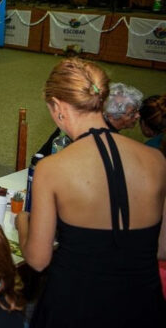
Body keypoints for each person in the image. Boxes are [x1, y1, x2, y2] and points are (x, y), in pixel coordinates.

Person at [16, 58, 166, 326]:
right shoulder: (156, 159)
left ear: (58, 106)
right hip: (142, 302)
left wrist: (23, 224)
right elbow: (162, 247)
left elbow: (38, 261)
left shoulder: (51, 168)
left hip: (75, 303)